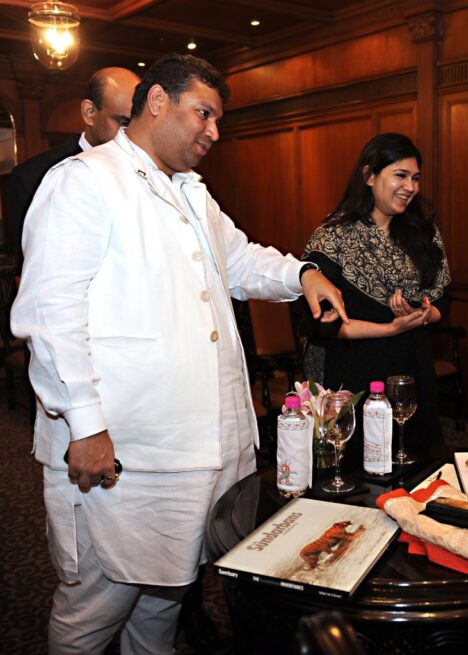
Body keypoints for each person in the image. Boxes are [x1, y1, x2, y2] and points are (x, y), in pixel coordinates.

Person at [11, 53, 347, 655]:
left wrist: (302, 274)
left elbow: (240, 260)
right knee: (94, 608)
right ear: (158, 101)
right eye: (205, 114)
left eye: (218, 119)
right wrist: (85, 428)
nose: (214, 132)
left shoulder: (190, 192)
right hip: (126, 453)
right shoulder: (85, 181)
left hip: (199, 452)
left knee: (163, 602)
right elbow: (51, 316)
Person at [300, 133, 451, 458]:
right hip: (356, 372)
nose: (410, 187)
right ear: (369, 176)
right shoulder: (333, 237)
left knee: (417, 467)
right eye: (400, 175)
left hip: (413, 368)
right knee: (361, 471)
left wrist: (420, 313)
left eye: (415, 178)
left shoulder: (425, 233)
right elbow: (319, 324)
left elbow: (442, 303)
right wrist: (390, 328)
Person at [8, 67, 140, 273]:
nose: (131, 134)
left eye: (137, 124)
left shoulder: (151, 172)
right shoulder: (31, 176)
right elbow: (26, 269)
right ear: (90, 113)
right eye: (123, 122)